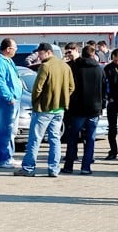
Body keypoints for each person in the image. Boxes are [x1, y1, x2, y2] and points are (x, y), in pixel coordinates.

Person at [15, 42, 74, 177]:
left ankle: (28, 168)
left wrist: (36, 103)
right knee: (55, 139)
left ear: (48, 52)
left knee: (35, 139)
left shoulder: (45, 66)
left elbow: (37, 88)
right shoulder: (65, 66)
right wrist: (62, 98)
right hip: (59, 109)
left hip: (43, 109)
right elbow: (71, 87)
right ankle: (54, 169)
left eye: (40, 53)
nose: (38, 56)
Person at [61, 44, 105, 174]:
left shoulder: (74, 67)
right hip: (94, 108)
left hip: (78, 108)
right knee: (90, 138)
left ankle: (69, 165)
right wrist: (102, 106)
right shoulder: (99, 69)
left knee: (73, 137)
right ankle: (86, 167)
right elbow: (103, 90)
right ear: (93, 55)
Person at [0, 38, 23, 168]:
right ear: (8, 49)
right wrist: (9, 97)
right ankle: (3, 160)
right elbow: (0, 83)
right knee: (5, 130)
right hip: (7, 101)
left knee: (11, 131)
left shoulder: (8, 61)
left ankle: (9, 156)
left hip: (14, 99)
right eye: (15, 48)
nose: (16, 50)